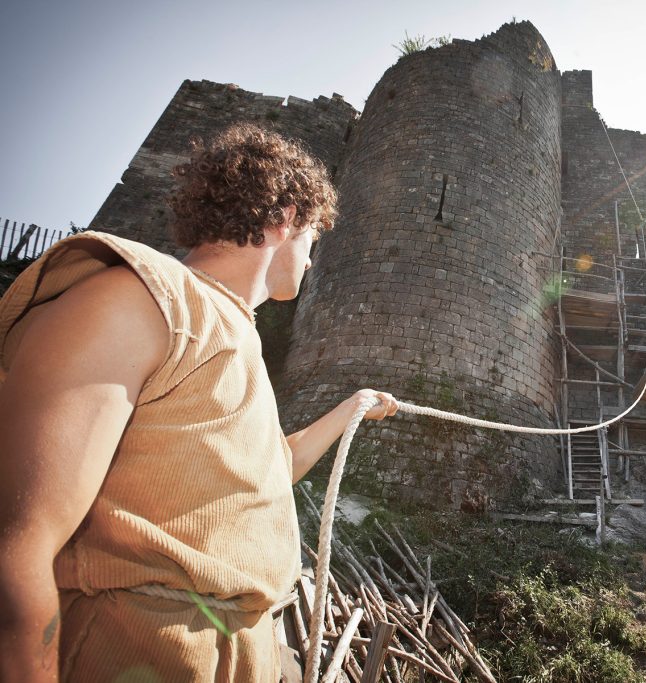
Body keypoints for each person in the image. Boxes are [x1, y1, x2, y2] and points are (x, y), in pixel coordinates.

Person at [0, 123, 398, 681]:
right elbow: (18, 547)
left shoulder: (236, 337)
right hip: (134, 655)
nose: (311, 262)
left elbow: (273, 469)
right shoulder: (138, 299)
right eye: (312, 240)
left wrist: (352, 404)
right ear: (285, 219)